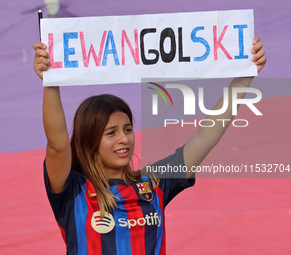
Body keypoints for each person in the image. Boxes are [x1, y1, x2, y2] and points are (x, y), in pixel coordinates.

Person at [33, 37, 266, 255]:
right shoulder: (73, 191)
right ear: (89, 141)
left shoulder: (155, 182)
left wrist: (244, 78)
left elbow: (205, 138)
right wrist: (50, 81)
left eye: (127, 129)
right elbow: (57, 145)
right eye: (111, 133)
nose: (124, 139)